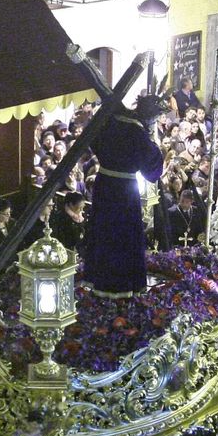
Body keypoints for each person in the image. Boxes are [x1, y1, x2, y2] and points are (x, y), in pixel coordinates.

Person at [82, 95, 166, 296]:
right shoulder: (138, 133)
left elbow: (92, 139)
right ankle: (122, 286)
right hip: (124, 190)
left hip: (104, 185)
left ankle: (97, 281)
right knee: (123, 237)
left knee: (103, 232)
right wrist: (153, 141)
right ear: (150, 117)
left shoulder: (111, 120)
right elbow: (153, 171)